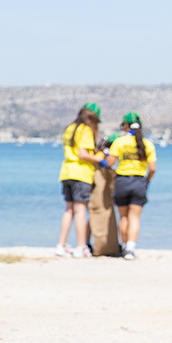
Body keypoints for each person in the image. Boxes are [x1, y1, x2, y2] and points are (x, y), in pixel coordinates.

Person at [56, 103, 110, 257]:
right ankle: (81, 246)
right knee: (80, 211)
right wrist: (100, 158)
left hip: (66, 172)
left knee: (69, 210)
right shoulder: (85, 130)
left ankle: (61, 245)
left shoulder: (70, 128)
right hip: (81, 173)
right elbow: (83, 154)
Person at [109, 112, 158, 260]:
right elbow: (152, 168)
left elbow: (110, 163)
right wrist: (147, 181)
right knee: (135, 217)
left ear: (125, 125)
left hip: (122, 181)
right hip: (139, 181)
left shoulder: (120, 142)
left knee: (123, 217)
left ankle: (124, 247)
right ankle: (131, 248)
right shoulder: (147, 144)